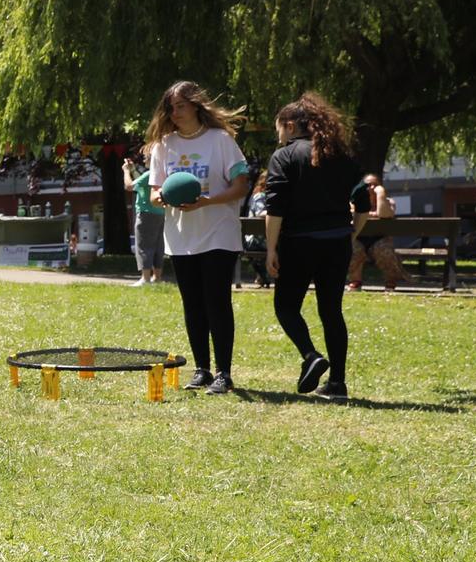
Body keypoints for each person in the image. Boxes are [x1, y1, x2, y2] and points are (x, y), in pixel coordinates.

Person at [147, 80, 252, 395]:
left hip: (218, 233)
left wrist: (207, 201)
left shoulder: (220, 141)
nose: (174, 112)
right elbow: (153, 193)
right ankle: (202, 369)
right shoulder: (163, 146)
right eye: (170, 107)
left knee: (217, 302)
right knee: (192, 304)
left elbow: (241, 185)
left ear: (196, 105)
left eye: (180, 105)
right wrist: (163, 198)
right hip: (181, 237)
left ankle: (224, 373)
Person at [262, 94, 363, 401]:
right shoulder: (341, 153)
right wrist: (349, 235)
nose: (278, 134)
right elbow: (364, 207)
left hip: (299, 242)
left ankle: (310, 355)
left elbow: (275, 209)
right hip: (337, 243)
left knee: (286, 306)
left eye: (279, 128)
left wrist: (271, 250)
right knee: (331, 310)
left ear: (290, 126)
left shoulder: (284, 157)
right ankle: (338, 383)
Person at [346, 173, 407, 291]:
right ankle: (355, 281)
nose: (372, 188)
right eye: (368, 185)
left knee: (384, 250)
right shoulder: (354, 202)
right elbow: (352, 214)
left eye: (376, 185)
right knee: (352, 249)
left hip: (380, 238)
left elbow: (383, 213)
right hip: (359, 238)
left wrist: (380, 194)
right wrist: (373, 214)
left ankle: (390, 281)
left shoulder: (388, 202)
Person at [122, 155, 163, 287]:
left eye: (146, 158)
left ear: (153, 160)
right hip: (160, 214)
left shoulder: (149, 174)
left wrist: (126, 171)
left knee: (143, 245)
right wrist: (133, 170)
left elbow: (129, 186)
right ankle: (156, 277)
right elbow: (141, 182)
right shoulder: (160, 174)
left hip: (146, 214)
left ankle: (145, 279)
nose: (144, 160)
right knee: (158, 246)